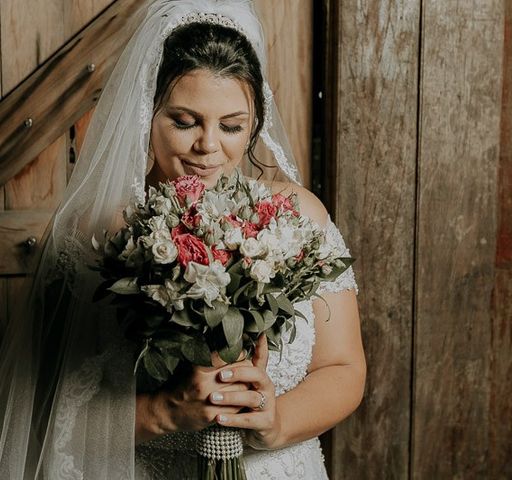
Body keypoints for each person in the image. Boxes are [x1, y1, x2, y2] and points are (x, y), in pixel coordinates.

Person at [0, 1, 365, 479]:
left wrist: (276, 424)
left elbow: (343, 368)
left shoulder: (297, 218)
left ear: (255, 122)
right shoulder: (91, 234)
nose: (208, 146)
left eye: (232, 126)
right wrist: (165, 412)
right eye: (185, 121)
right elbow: (38, 411)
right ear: (145, 113)